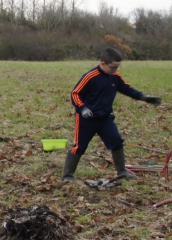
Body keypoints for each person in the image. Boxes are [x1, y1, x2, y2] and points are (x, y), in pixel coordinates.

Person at [62, 48, 162, 181]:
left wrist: (143, 97)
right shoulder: (90, 76)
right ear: (103, 63)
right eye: (113, 67)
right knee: (79, 147)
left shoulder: (115, 77)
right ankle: (67, 175)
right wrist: (83, 108)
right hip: (86, 119)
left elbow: (127, 89)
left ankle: (121, 171)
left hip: (105, 118)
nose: (115, 70)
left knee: (116, 141)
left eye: (118, 67)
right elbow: (75, 93)